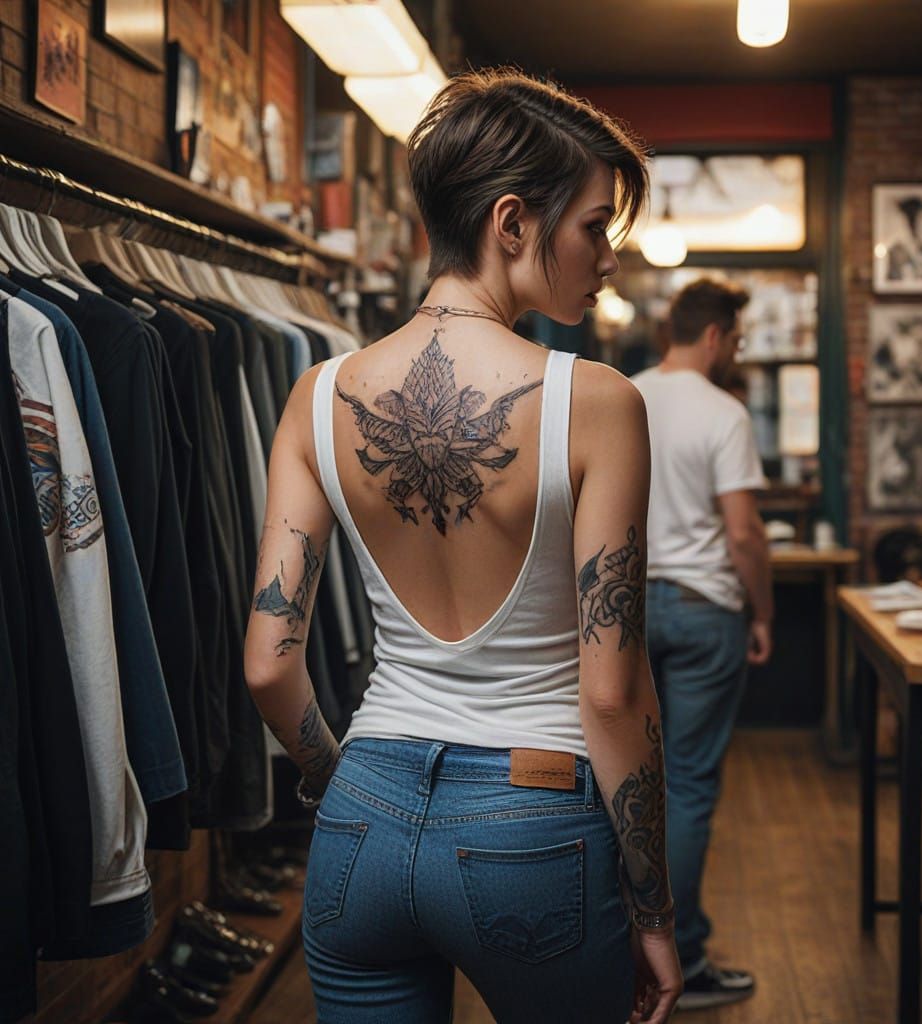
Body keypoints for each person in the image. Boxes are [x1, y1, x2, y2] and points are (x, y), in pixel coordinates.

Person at [243, 68, 682, 1024]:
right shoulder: (597, 403)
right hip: (533, 825)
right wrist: (654, 906)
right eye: (595, 227)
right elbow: (612, 694)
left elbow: (269, 665)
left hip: (362, 816)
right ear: (512, 223)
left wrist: (340, 782)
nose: (609, 259)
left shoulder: (317, 398)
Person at [631, 278, 772, 1010]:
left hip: (625, 609)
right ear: (714, 336)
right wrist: (764, 612)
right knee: (686, 785)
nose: (736, 352)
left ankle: (622, 954)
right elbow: (743, 533)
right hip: (703, 608)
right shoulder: (724, 412)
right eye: (737, 339)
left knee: (628, 781)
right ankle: (680, 957)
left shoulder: (623, 393)